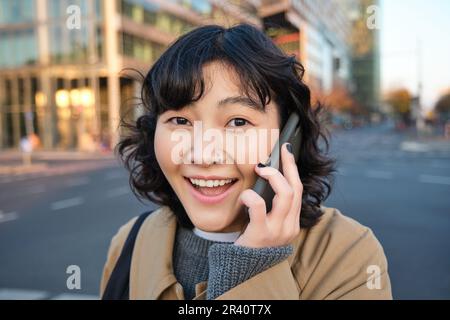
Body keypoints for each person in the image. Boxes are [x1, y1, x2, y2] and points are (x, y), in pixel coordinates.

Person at [100, 24, 392, 300]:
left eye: (238, 122)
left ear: (289, 137)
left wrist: (251, 269)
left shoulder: (347, 253)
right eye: (180, 121)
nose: (203, 154)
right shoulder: (130, 243)